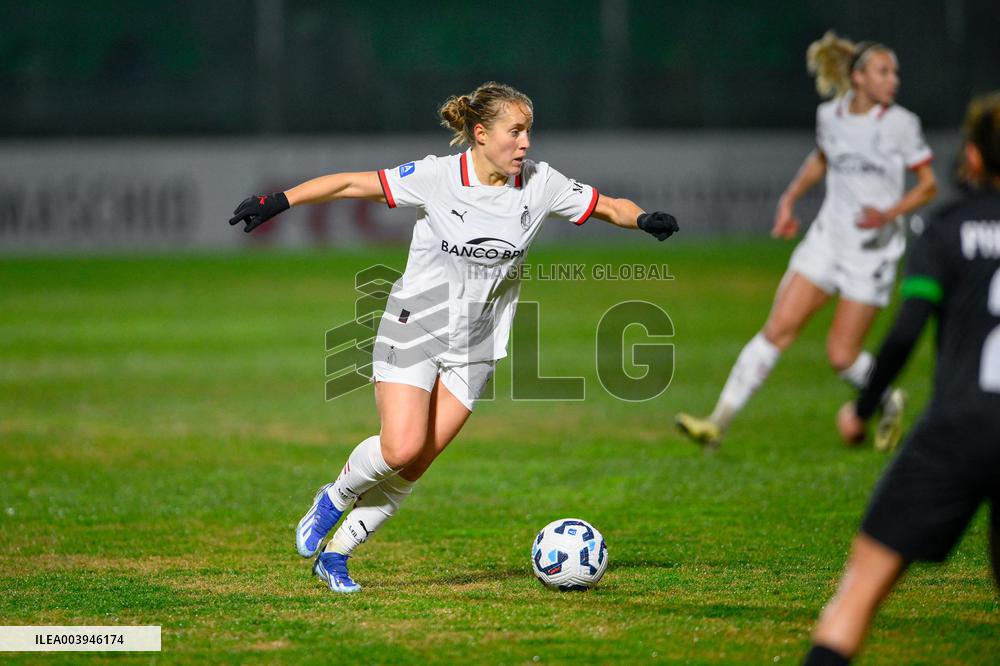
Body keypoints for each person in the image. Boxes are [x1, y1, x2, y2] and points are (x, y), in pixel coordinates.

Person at [228, 82, 679, 593]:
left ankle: (337, 555)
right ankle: (334, 496)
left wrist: (643, 219)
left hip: (477, 345)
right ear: (481, 133)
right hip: (415, 324)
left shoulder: (541, 183)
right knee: (401, 446)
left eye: (528, 131)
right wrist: (278, 200)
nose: (526, 143)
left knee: (418, 461)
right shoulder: (438, 177)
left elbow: (608, 206)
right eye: (516, 131)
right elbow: (352, 184)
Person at [802, 91, 1000, 666]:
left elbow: (906, 330)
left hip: (959, 427)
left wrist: (862, 409)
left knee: (858, 591)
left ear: (973, 156)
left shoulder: (946, 229)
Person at [675, 31, 938, 451]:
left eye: (895, 72)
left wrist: (889, 213)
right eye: (884, 71)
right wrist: (790, 199)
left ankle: (887, 397)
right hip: (827, 241)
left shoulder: (901, 124)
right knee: (776, 330)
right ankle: (717, 422)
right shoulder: (830, 116)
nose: (894, 80)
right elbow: (821, 159)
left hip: (871, 253)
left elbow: (928, 186)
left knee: (842, 357)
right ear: (858, 77)